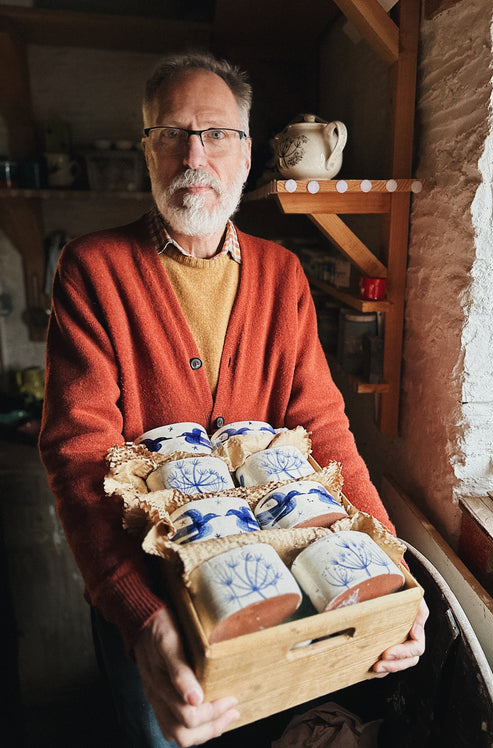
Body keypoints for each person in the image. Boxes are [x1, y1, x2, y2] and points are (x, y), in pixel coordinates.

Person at [39, 51, 429, 748]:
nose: (195, 153)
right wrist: (142, 616)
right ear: (147, 152)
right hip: (153, 599)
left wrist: (391, 562)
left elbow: (324, 429)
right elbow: (79, 455)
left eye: (216, 133)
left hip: (266, 593)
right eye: (171, 133)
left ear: (249, 154)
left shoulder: (283, 275)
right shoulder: (92, 269)